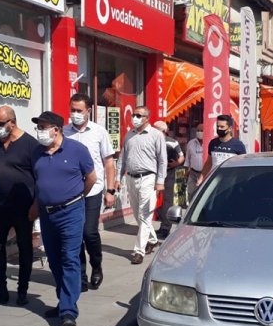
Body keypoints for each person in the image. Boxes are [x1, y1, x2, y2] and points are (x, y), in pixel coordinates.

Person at [29, 111, 96, 326]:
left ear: (56, 129)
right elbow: (38, 183)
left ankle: (68, 311)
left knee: (69, 259)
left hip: (71, 213)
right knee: (55, 260)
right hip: (47, 214)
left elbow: (91, 178)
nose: (40, 131)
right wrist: (35, 207)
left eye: (43, 127)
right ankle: (63, 301)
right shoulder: (36, 153)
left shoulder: (77, 150)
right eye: (38, 126)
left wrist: (76, 198)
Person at [0, 105, 37, 307]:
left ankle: (22, 291)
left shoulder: (30, 144)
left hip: (23, 207)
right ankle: (0, 291)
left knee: (24, 248)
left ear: (12, 122)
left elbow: (40, 177)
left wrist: (36, 206)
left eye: (0, 123)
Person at [63, 93, 115, 291]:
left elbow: (108, 162)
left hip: (93, 190)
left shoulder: (99, 132)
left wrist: (110, 190)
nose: (75, 114)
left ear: (88, 111)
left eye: (79, 111)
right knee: (75, 234)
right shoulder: (64, 132)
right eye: (72, 110)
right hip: (71, 192)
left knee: (89, 232)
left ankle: (97, 265)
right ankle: (80, 275)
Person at [115, 106, 167, 265]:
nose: (135, 118)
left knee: (145, 215)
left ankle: (139, 250)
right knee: (138, 215)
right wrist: (118, 177)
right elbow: (122, 158)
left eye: (139, 115)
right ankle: (152, 239)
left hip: (148, 179)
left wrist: (160, 181)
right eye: (134, 115)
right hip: (131, 178)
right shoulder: (129, 135)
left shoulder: (156, 135)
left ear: (147, 118)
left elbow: (162, 160)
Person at [153, 121, 185, 240]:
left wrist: (176, 163)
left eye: (155, 129)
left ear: (163, 131)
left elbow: (181, 156)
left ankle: (165, 228)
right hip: (154, 174)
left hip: (169, 173)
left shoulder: (172, 142)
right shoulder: (150, 140)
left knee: (167, 200)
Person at [199, 115, 246, 182]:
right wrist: (201, 178)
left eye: (222, 127)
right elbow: (209, 163)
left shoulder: (238, 145)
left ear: (230, 128)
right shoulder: (213, 143)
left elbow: (243, 167)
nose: (219, 129)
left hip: (231, 182)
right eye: (218, 126)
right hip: (215, 181)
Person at [185, 123, 205, 202]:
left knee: (203, 194)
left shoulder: (209, 142)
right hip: (193, 173)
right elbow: (187, 160)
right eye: (198, 130)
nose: (199, 132)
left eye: (201, 130)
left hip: (205, 173)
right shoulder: (191, 143)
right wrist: (185, 172)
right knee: (191, 193)